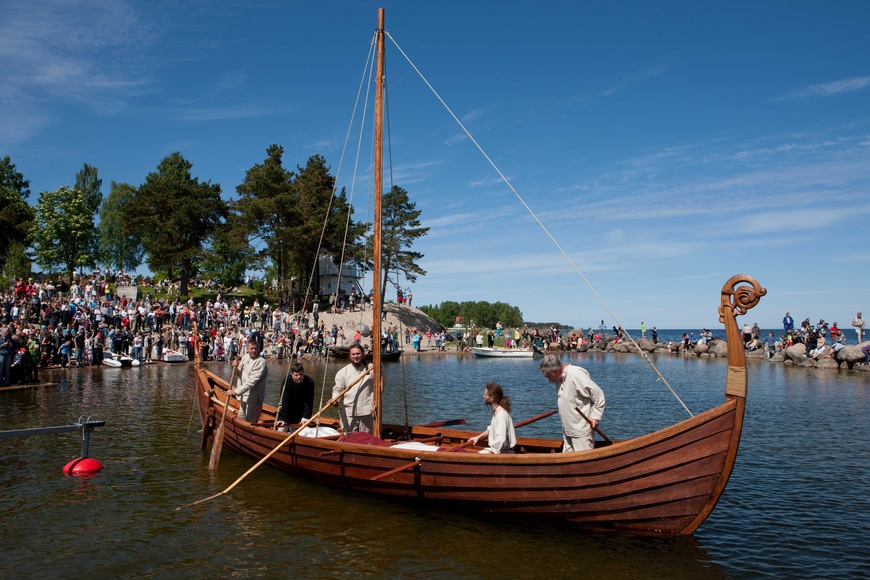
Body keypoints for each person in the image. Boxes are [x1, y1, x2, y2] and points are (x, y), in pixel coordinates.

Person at [539, 354, 605, 452]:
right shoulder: (558, 378)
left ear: (555, 371)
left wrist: (595, 417)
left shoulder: (576, 375)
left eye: (548, 376)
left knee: (582, 462)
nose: (548, 379)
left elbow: (598, 395)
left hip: (581, 431)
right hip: (567, 429)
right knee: (567, 463)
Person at [331, 343, 373, 433]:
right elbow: (338, 389)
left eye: (358, 354)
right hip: (349, 412)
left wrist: (381, 370)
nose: (356, 356)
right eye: (353, 354)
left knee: (367, 440)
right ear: (350, 356)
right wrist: (335, 400)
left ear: (363, 354)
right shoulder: (342, 372)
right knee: (350, 439)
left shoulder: (372, 369)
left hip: (367, 412)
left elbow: (381, 385)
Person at [467, 382, 516, 454]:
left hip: (501, 455)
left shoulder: (501, 415)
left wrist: (490, 454)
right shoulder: (497, 412)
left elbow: (501, 441)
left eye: (485, 395)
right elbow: (491, 429)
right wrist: (478, 437)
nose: (483, 396)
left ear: (492, 398)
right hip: (497, 452)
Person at [227, 338, 268, 423]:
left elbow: (252, 381)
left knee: (250, 422)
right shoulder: (245, 357)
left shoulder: (261, 362)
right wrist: (234, 368)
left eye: (256, 349)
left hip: (253, 398)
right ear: (247, 349)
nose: (253, 351)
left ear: (259, 349)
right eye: (251, 349)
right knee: (240, 419)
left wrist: (236, 391)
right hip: (243, 396)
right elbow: (239, 374)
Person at [275, 362, 315, 430]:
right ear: (292, 374)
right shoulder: (287, 382)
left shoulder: (309, 382)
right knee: (281, 429)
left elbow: (309, 402)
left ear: (303, 373)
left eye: (301, 374)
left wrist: (305, 417)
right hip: (287, 410)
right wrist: (283, 418)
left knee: (299, 431)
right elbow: (285, 401)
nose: (299, 377)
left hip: (301, 411)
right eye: (296, 375)